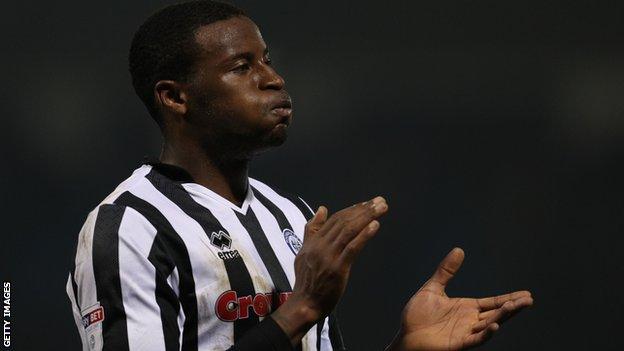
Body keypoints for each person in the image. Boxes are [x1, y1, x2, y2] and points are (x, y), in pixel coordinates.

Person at [66, 1, 533, 350]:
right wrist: (303, 307)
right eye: (241, 66)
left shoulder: (292, 214)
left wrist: (405, 348)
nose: (274, 78)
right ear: (175, 97)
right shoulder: (129, 227)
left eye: (267, 59)